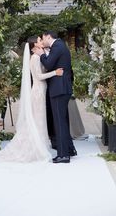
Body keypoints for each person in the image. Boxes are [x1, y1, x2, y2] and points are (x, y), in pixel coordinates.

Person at [0, 36, 63, 163]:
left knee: (40, 120)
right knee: (37, 120)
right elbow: (38, 76)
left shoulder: (39, 56)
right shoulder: (34, 58)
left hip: (42, 90)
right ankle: (35, 147)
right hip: (38, 92)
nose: (42, 41)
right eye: (40, 40)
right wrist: (54, 73)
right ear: (35, 44)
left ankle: (40, 145)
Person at [35, 31, 77, 164]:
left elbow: (48, 64)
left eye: (43, 38)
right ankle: (70, 150)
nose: (42, 40)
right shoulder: (59, 46)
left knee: (59, 122)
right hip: (62, 88)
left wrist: (41, 55)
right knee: (62, 121)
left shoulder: (57, 46)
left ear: (48, 37)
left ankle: (63, 155)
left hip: (59, 89)